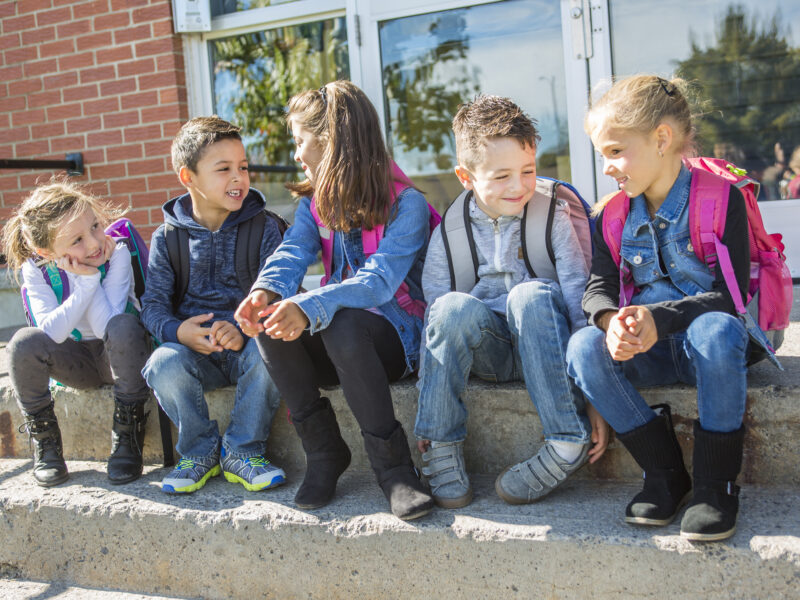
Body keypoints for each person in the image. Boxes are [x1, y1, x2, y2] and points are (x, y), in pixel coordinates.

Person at [234, 80, 434, 521]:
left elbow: (377, 283)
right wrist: (264, 291)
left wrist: (309, 306)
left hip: (395, 341)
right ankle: (324, 453)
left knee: (343, 322)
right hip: (340, 350)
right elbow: (292, 252)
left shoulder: (407, 204)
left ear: (331, 142)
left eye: (300, 141)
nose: (297, 154)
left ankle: (394, 469)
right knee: (271, 321)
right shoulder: (314, 204)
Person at [566, 75, 754, 542]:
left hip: (710, 350)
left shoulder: (720, 197)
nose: (607, 167)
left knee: (715, 330)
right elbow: (597, 289)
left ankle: (715, 485)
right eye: (601, 155)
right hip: (647, 350)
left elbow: (731, 298)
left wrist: (661, 318)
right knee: (583, 346)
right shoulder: (610, 215)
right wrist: (611, 322)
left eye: (614, 151)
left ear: (662, 139)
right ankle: (665, 473)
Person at [412, 94, 608, 509]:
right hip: (493, 350)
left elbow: (577, 296)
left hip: (546, 339)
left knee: (529, 293)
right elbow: (437, 318)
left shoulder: (550, 212)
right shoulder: (451, 229)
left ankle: (566, 440)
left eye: (528, 171)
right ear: (466, 176)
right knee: (448, 307)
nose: (519, 186)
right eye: (501, 176)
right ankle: (440, 444)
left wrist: (594, 392)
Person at [141, 116, 285, 494]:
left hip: (249, 350)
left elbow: (282, 293)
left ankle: (242, 449)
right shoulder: (167, 238)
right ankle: (199, 451)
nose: (238, 178)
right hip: (195, 356)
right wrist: (179, 332)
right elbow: (152, 306)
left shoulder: (265, 227)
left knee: (276, 348)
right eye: (224, 170)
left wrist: (242, 329)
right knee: (161, 363)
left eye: (243, 167)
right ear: (187, 177)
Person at [3, 180, 151, 486]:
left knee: (122, 326)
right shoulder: (36, 268)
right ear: (45, 250)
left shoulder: (117, 251)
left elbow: (106, 325)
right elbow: (52, 332)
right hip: (75, 361)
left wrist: (89, 277)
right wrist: (81, 280)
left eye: (95, 227)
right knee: (23, 344)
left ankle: (127, 432)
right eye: (77, 240)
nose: (95, 244)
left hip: (120, 357)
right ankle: (46, 443)